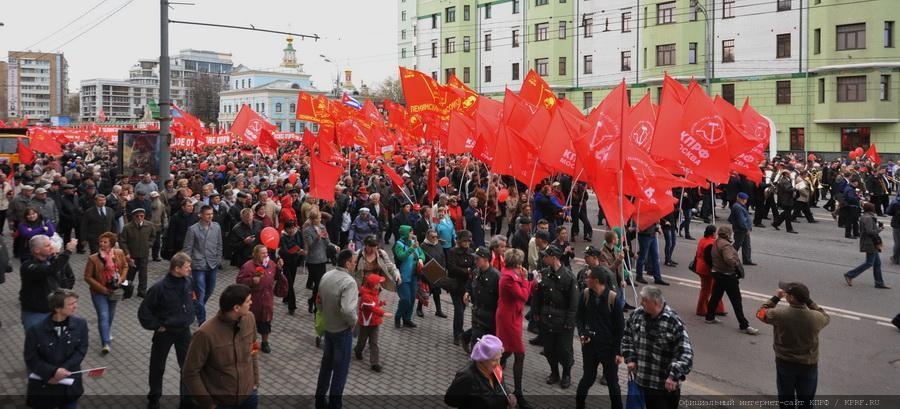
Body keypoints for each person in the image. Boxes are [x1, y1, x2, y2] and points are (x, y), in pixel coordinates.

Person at [182, 284, 259, 409]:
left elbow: (254, 348)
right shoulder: (205, 334)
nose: (251, 302)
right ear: (236, 307)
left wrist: (255, 381)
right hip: (221, 403)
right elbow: (190, 372)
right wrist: (207, 403)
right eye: (248, 301)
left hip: (249, 396)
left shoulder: (250, 318)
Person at [756, 281, 830, 409]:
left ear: (790, 298)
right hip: (809, 364)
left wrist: (776, 298)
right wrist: (809, 302)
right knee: (806, 401)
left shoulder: (779, 314)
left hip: (785, 362)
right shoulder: (816, 317)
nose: (785, 294)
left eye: (787, 293)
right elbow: (825, 316)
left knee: (786, 399)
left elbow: (760, 313)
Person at [138, 252, 196, 409]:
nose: (190, 269)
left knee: (187, 366)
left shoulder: (188, 281)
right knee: (158, 365)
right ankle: (154, 397)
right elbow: (144, 312)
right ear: (177, 269)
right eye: (187, 267)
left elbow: (191, 300)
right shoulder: (159, 288)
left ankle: (187, 398)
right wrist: (157, 325)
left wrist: (191, 314)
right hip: (165, 332)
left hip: (183, 330)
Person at [622, 286, 694, 409]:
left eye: (644, 300)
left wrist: (673, 376)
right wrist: (630, 358)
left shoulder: (673, 321)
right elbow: (627, 337)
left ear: (655, 302)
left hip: (663, 388)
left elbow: (686, 354)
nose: (641, 303)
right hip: (642, 382)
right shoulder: (636, 315)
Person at [24, 289, 88, 409]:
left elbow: (81, 349)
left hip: (69, 387)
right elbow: (31, 358)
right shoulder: (36, 330)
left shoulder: (81, 324)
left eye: (75, 302)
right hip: (45, 387)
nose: (76, 306)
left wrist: (63, 369)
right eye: (71, 304)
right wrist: (52, 372)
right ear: (57, 309)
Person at [315, 249, 359, 409]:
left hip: (328, 328)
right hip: (342, 331)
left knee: (326, 366)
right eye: (354, 261)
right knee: (340, 371)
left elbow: (318, 302)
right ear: (347, 263)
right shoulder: (349, 282)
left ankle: (319, 401)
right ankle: (335, 404)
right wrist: (353, 322)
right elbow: (348, 310)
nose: (355, 264)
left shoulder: (326, 275)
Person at [575, 267, 625, 409]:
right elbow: (579, 317)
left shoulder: (613, 299)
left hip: (608, 349)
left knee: (612, 383)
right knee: (587, 378)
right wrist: (582, 332)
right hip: (590, 346)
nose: (586, 280)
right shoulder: (585, 294)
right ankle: (579, 404)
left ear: (596, 281)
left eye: (588, 278)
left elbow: (620, 328)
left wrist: (618, 352)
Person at [533, 245, 579, 389]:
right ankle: (554, 373)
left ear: (554, 258)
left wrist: (570, 321)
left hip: (562, 322)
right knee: (549, 349)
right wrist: (535, 312)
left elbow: (574, 302)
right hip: (546, 319)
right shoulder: (544, 273)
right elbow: (537, 295)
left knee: (564, 351)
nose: (543, 258)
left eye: (546, 256)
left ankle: (566, 374)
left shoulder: (569, 277)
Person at [494, 248, 535, 409]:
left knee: (507, 351)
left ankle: (494, 374)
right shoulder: (508, 278)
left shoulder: (512, 274)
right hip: (508, 318)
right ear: (516, 263)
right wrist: (526, 280)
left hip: (513, 316)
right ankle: (518, 392)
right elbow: (523, 296)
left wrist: (530, 281)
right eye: (520, 262)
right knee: (519, 353)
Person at [706, 225, 760, 335]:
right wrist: (735, 264)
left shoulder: (717, 241)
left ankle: (709, 316)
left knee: (716, 295)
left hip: (717, 272)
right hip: (727, 275)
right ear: (727, 234)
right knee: (736, 300)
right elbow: (728, 259)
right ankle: (744, 325)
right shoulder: (725, 245)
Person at [82, 231, 128, 354]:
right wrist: (101, 288)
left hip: (114, 290)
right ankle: (105, 343)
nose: (102, 244)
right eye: (101, 242)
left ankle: (106, 331)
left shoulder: (119, 253)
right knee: (103, 315)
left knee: (110, 315)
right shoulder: (93, 258)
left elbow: (125, 266)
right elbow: (87, 277)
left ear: (111, 243)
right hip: (99, 292)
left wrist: (121, 279)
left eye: (105, 242)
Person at [20, 235, 77, 330]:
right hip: (36, 314)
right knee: (37, 342)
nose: (51, 247)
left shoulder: (52, 261)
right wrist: (67, 251)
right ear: (37, 250)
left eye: (50, 244)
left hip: (55, 311)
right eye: (47, 245)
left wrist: (65, 296)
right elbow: (50, 270)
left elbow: (66, 278)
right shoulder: (28, 266)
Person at [444, 334, 514, 409]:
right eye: (494, 360)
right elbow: (450, 400)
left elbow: (501, 385)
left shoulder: (495, 368)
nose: (498, 363)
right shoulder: (467, 377)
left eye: (499, 358)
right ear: (482, 360)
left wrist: (508, 394)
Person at [236, 245, 284, 353]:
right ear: (256, 254)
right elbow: (239, 281)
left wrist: (280, 269)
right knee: (249, 323)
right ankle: (248, 343)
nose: (266, 255)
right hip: (253, 301)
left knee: (266, 323)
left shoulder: (271, 264)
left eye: (266, 253)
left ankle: (265, 342)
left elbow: (276, 276)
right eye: (263, 253)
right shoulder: (248, 266)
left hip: (267, 300)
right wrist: (252, 280)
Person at [184, 205, 224, 324]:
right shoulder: (193, 229)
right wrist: (187, 265)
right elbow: (187, 248)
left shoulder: (216, 227)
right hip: (198, 265)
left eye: (211, 214)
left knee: (209, 290)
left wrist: (218, 259)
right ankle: (202, 320)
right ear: (200, 215)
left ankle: (195, 307)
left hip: (212, 264)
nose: (210, 216)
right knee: (200, 292)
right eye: (207, 214)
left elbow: (219, 244)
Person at [844, 202, 891, 289]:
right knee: (869, 263)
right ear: (871, 209)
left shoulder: (867, 217)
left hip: (870, 242)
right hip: (870, 243)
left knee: (877, 263)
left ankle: (879, 282)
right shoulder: (868, 218)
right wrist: (880, 229)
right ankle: (850, 274)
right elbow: (870, 232)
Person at [463, 246, 501, 352]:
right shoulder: (476, 272)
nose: (475, 261)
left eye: (477, 259)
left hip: (490, 316)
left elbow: (501, 298)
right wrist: (467, 292)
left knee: (489, 346)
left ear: (486, 259)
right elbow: (469, 284)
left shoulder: (496, 276)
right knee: (476, 345)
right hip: (477, 314)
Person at [304, 210, 338, 314]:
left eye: (320, 218)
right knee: (317, 283)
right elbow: (310, 246)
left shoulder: (322, 227)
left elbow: (327, 242)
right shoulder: (307, 230)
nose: (320, 219)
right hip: (313, 260)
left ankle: (313, 301)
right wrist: (317, 237)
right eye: (318, 218)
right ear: (313, 220)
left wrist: (334, 246)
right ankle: (314, 302)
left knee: (321, 284)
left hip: (322, 259)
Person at [393, 224, 425, 328]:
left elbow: (422, 254)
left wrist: (421, 258)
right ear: (405, 233)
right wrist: (411, 248)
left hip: (414, 276)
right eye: (410, 232)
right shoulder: (398, 244)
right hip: (403, 276)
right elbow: (401, 256)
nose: (412, 234)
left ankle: (407, 319)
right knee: (405, 299)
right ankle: (398, 316)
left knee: (411, 298)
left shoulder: (414, 243)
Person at [119, 208, 156, 297]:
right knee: (130, 274)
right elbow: (122, 241)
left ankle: (142, 291)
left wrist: (149, 244)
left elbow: (153, 236)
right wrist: (126, 253)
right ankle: (127, 290)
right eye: (137, 216)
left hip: (144, 254)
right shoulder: (127, 227)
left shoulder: (149, 225)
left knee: (143, 274)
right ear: (133, 217)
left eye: (141, 216)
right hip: (132, 255)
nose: (139, 218)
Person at [447, 230, 475, 345]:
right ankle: (457, 334)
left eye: (468, 240)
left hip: (466, 286)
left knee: (462, 309)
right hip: (455, 285)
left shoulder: (471, 252)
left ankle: (459, 330)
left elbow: (473, 266)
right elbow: (452, 268)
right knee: (459, 310)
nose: (466, 242)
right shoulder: (452, 252)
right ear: (459, 241)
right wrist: (466, 271)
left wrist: (469, 271)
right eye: (464, 240)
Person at [355, 273, 388, 372]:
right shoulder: (365, 296)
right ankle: (358, 350)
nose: (379, 285)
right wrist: (383, 313)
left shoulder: (374, 293)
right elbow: (372, 308)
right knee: (362, 341)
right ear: (372, 285)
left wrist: (381, 303)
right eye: (378, 284)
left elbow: (375, 304)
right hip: (366, 324)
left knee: (374, 343)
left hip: (375, 323)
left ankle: (374, 363)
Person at [692, 225, 726, 317]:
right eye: (715, 232)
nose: (717, 234)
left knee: (712, 289)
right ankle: (702, 310)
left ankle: (716, 308)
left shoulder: (703, 240)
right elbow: (709, 259)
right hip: (706, 270)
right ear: (713, 233)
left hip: (701, 267)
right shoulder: (709, 244)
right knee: (707, 290)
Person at [418, 229, 447, 318]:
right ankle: (419, 309)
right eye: (433, 237)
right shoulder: (423, 246)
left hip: (438, 273)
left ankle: (438, 310)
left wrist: (443, 268)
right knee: (426, 293)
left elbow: (442, 257)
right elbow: (421, 261)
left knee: (437, 292)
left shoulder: (438, 245)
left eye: (436, 236)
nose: (435, 238)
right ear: (427, 236)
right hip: (428, 273)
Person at [278, 219, 305, 315]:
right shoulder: (282, 237)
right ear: (286, 229)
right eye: (289, 228)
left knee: (291, 282)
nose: (291, 230)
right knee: (289, 283)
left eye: (293, 228)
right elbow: (285, 251)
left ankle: (286, 297)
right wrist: (294, 251)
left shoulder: (298, 233)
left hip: (294, 261)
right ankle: (292, 306)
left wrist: (301, 253)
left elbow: (302, 245)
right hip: (285, 262)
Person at [729, 192, 756, 265]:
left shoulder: (740, 206)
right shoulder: (738, 207)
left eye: (745, 199)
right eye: (744, 199)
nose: (745, 201)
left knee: (746, 245)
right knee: (737, 244)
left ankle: (747, 260)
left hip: (743, 229)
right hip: (741, 230)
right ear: (739, 199)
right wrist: (746, 228)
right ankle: (728, 257)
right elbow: (742, 220)